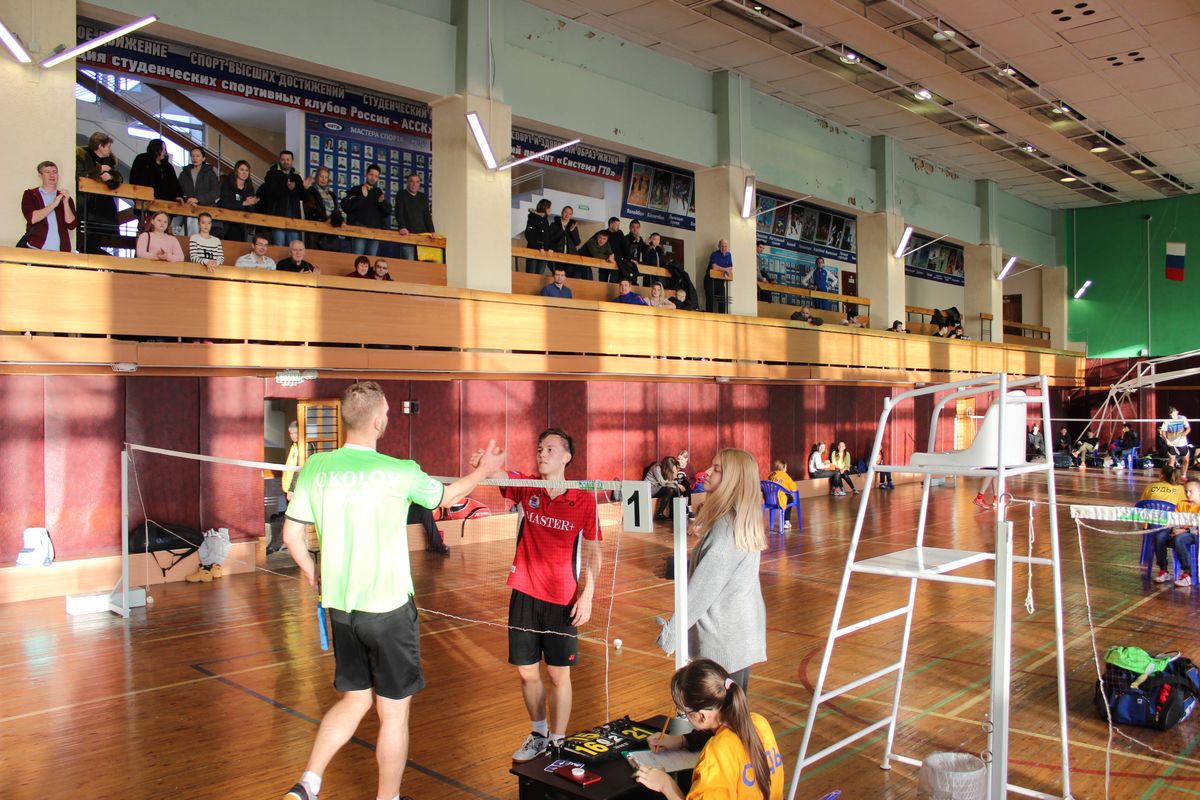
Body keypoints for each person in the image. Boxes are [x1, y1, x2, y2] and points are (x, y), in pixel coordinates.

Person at [279, 381, 505, 800]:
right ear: (378, 421)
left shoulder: (316, 467)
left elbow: (291, 536)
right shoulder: (401, 470)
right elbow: (449, 497)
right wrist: (483, 471)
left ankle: (308, 784)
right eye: (386, 413)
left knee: (354, 701)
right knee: (393, 715)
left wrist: (313, 573)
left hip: (341, 609)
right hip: (388, 612)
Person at [468, 428, 601, 763]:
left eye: (550, 449)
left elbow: (594, 551)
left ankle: (558, 739)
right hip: (525, 593)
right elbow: (498, 475)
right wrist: (487, 465)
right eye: (540, 448)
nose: (542, 453)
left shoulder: (583, 498)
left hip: (563, 599)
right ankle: (539, 733)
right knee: (527, 671)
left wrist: (587, 595)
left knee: (558, 674)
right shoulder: (528, 487)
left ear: (567, 456)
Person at [656, 448, 768, 691]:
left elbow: (703, 589)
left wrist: (671, 633)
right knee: (732, 710)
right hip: (737, 635)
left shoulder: (727, 529)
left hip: (723, 640)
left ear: (732, 480)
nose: (706, 472)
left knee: (718, 713)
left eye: (716, 469)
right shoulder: (736, 521)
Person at [635, 658, 783, 800]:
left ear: (702, 716)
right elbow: (727, 741)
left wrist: (665, 785)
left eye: (684, 712)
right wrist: (681, 741)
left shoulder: (716, 753)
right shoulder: (759, 722)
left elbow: (724, 747)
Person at [75, 131, 122, 254]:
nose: (110, 150)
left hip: (103, 209)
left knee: (93, 244)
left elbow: (118, 178)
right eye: (108, 146)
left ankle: (107, 261)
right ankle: (111, 262)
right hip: (88, 207)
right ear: (100, 146)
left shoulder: (109, 160)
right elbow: (80, 177)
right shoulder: (82, 156)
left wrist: (111, 178)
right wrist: (99, 170)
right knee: (87, 244)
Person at [1141, 465, 1188, 586]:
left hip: (1154, 527)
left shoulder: (1150, 486)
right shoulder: (1180, 489)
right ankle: (1164, 570)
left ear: (1161, 475)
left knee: (1160, 537)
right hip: (1166, 527)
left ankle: (1169, 570)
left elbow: (1140, 506)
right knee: (1160, 537)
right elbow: (1184, 507)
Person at [21, 161, 76, 251]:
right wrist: (54, 204)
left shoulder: (65, 197)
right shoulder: (31, 194)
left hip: (60, 252)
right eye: (47, 172)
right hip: (35, 248)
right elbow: (32, 218)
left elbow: (71, 225)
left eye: (55, 172)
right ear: (40, 175)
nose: (52, 175)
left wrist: (66, 203)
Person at [258, 150, 310, 246]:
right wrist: (288, 189)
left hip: (294, 219)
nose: (285, 162)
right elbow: (272, 194)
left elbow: (303, 197)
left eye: (288, 159)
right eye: (283, 159)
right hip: (277, 217)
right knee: (279, 244)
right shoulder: (272, 174)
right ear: (279, 160)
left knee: (294, 245)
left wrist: (305, 188)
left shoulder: (297, 177)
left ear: (292, 161)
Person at [341, 164, 391, 256]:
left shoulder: (379, 192)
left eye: (376, 176)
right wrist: (362, 197)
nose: (373, 178)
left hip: (375, 232)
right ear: (366, 174)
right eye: (371, 174)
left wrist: (381, 202)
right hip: (359, 230)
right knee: (357, 258)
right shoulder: (356, 189)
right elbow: (346, 206)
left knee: (372, 259)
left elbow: (387, 212)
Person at [1166, 478, 1200, 588]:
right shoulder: (1181, 504)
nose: (1187, 494)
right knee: (1159, 537)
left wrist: (1184, 531)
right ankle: (1163, 570)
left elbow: (1198, 529)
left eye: (1191, 491)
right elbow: (1174, 520)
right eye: (1186, 491)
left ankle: (1189, 573)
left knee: (1179, 539)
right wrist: (1173, 529)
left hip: (1195, 534)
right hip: (1179, 531)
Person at [178, 148, 220, 235]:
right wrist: (186, 200)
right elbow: (179, 191)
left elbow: (216, 192)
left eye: (198, 156)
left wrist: (198, 199)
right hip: (188, 210)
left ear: (203, 158)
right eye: (193, 156)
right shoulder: (184, 174)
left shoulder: (210, 173)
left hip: (206, 211)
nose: (195, 158)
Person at [394, 173, 434, 261]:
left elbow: (427, 215)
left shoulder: (422, 197)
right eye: (411, 181)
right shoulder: (401, 194)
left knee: (423, 263)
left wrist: (432, 231)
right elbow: (399, 212)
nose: (414, 184)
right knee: (409, 261)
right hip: (407, 235)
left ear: (419, 184)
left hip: (423, 236)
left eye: (417, 182)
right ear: (407, 182)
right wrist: (402, 227)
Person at [129, 139, 183, 203]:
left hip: (165, 203)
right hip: (145, 201)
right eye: (162, 149)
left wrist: (178, 196)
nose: (164, 151)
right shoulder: (142, 159)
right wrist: (145, 196)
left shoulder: (168, 167)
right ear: (155, 149)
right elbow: (134, 180)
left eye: (165, 149)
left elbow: (174, 184)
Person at [218, 159, 259, 243]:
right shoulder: (228, 183)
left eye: (247, 170)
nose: (244, 172)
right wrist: (244, 203)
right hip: (227, 222)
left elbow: (250, 208)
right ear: (236, 171)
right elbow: (224, 203)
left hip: (242, 224)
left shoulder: (249, 185)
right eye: (242, 170)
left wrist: (251, 204)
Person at [304, 165, 343, 252]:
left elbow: (337, 212)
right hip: (316, 232)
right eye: (321, 176)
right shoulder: (311, 191)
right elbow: (309, 210)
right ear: (317, 177)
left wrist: (339, 221)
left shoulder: (332, 195)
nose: (323, 179)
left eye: (326, 177)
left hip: (332, 233)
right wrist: (325, 219)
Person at [646, 456, 685, 522]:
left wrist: (676, 482)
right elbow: (662, 483)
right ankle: (659, 514)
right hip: (649, 489)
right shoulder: (656, 468)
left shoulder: (665, 470)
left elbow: (669, 482)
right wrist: (676, 484)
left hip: (658, 488)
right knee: (669, 490)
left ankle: (673, 513)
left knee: (674, 489)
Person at [1161, 406, 1191, 480]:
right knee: (1171, 462)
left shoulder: (1182, 418)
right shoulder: (1167, 421)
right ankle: (1170, 477)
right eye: (1171, 415)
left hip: (1182, 443)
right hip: (1172, 443)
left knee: (1186, 460)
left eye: (1173, 414)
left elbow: (1188, 428)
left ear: (1177, 412)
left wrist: (1184, 434)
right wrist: (1166, 440)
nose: (1172, 416)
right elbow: (1163, 432)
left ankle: (1183, 475)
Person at [523, 198, 552, 274]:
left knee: (539, 277)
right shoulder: (533, 218)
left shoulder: (545, 220)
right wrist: (539, 247)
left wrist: (550, 248)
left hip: (544, 253)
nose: (550, 209)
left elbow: (547, 237)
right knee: (531, 276)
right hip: (533, 251)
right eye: (549, 207)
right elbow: (528, 235)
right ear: (544, 207)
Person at [765, 459, 797, 529]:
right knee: (790, 498)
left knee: (786, 495)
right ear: (784, 467)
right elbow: (794, 489)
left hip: (769, 500)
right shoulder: (785, 476)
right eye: (786, 467)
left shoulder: (770, 474)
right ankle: (786, 521)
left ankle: (773, 524)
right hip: (779, 500)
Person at [705, 239, 733, 313]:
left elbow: (730, 267)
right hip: (710, 280)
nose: (724, 248)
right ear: (718, 246)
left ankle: (722, 317)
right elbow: (714, 267)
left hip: (720, 281)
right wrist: (725, 269)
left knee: (722, 301)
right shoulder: (715, 254)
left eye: (725, 246)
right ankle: (709, 316)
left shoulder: (729, 255)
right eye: (722, 246)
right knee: (710, 300)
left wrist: (726, 269)